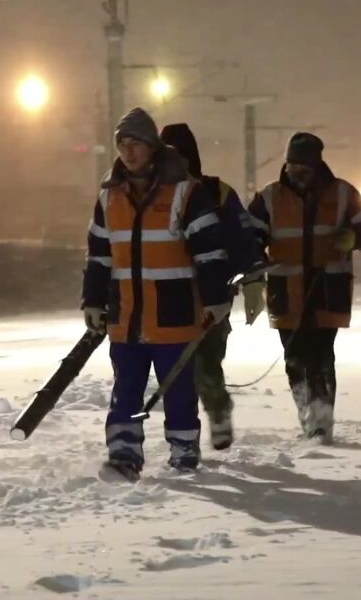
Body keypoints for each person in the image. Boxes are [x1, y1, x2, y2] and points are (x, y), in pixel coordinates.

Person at [82, 108, 232, 480]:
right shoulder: (109, 195)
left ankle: (184, 454)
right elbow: (99, 253)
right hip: (127, 315)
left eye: (135, 144)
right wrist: (93, 300)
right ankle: (124, 455)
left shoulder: (184, 190)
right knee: (126, 389)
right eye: (122, 145)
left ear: (152, 146)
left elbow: (210, 250)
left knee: (178, 391)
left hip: (175, 314)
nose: (128, 153)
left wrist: (216, 298)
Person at [245, 132, 361, 444]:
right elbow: (249, 234)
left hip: (327, 287)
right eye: (292, 166)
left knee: (320, 355)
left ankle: (320, 420)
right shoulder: (269, 197)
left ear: (317, 166)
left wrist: (353, 236)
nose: (296, 174)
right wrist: (253, 263)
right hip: (285, 291)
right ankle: (308, 413)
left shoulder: (343, 193)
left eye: (303, 168)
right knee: (294, 357)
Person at [159, 123, 264, 451]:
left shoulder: (218, 194)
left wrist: (253, 280)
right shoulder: (153, 195)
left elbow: (244, 240)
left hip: (211, 297)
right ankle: (185, 435)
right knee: (175, 371)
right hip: (164, 298)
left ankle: (217, 409)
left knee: (206, 362)